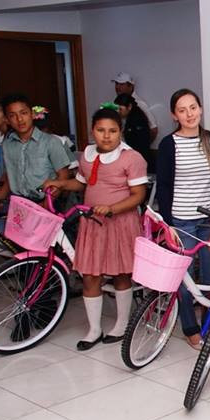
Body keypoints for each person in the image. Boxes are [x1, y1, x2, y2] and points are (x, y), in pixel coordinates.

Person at [42, 107, 147, 350]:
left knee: (121, 273)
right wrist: (60, 183)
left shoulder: (131, 158)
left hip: (120, 223)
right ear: (92, 131)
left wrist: (112, 208)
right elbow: (81, 183)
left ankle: (122, 324)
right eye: (101, 130)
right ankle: (94, 329)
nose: (106, 136)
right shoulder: (87, 155)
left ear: (121, 132)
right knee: (90, 275)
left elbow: (138, 195)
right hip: (92, 222)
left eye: (113, 131)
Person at [155, 88, 210, 349]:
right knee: (182, 278)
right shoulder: (168, 144)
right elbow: (163, 187)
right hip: (181, 221)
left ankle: (208, 324)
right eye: (182, 110)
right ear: (174, 115)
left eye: (193, 108)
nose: (189, 114)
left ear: (200, 109)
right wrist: (168, 224)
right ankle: (190, 327)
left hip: (209, 220)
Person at [0, 93, 71, 202]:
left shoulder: (51, 142)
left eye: (24, 113)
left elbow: (63, 176)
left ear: (32, 114)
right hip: (18, 201)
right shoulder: (7, 144)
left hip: (46, 201)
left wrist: (46, 204)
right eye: (12, 115)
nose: (19, 119)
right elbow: (10, 176)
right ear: (7, 120)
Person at [112, 72, 158, 140]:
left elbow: (154, 129)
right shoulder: (114, 103)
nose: (117, 87)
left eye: (121, 84)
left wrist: (141, 145)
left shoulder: (139, 104)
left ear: (131, 86)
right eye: (116, 83)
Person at [115, 93, 153, 167]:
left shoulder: (137, 120)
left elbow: (139, 145)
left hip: (138, 160)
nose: (118, 112)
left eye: (120, 109)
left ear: (129, 106)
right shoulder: (129, 118)